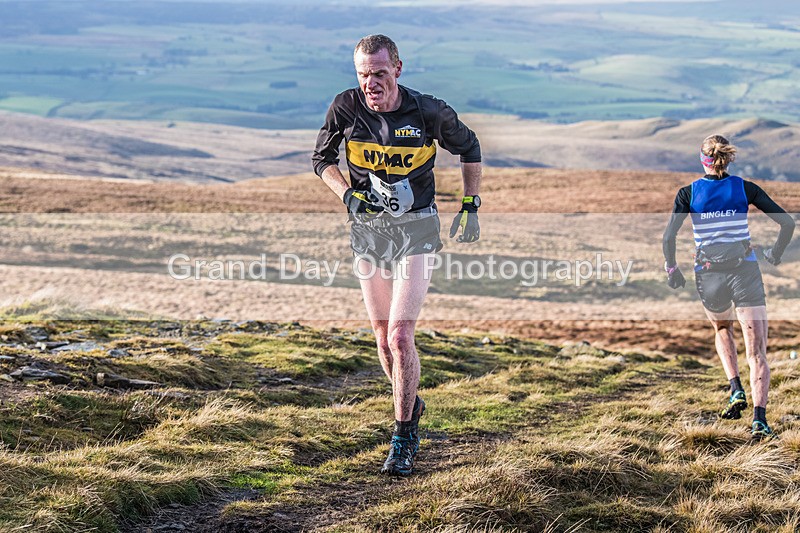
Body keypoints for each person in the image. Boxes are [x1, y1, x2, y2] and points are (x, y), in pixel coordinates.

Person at [312, 34, 482, 475]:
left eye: (380, 73)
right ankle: (410, 400)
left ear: (398, 70)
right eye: (364, 74)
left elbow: (470, 148)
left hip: (418, 228)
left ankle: (403, 436)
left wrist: (470, 204)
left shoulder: (427, 111)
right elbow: (321, 159)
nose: (371, 82)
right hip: (368, 234)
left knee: (400, 338)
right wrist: (348, 196)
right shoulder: (345, 107)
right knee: (382, 342)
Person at [662, 134, 795, 440]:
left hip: (708, 275)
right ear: (728, 158)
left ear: (702, 159)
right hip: (745, 272)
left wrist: (672, 269)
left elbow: (669, 237)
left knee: (722, 329)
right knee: (757, 351)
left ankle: (735, 389)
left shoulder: (688, 193)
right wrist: (774, 254)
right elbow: (786, 223)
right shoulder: (745, 188)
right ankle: (759, 421)